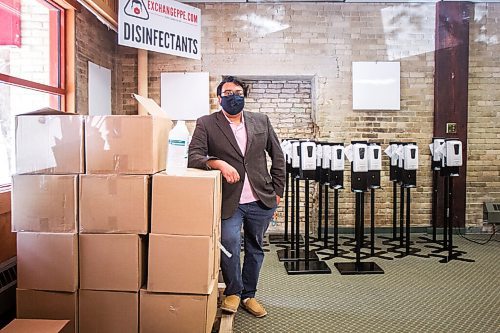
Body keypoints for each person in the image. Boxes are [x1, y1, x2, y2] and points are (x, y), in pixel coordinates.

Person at [188, 76, 285, 318]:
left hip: (260, 198)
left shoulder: (261, 120)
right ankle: (233, 291)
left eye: (238, 92)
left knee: (255, 247)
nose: (234, 97)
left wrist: (278, 192)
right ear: (219, 98)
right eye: (228, 93)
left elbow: (278, 157)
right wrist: (217, 162)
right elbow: (194, 156)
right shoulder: (207, 123)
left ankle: (249, 295)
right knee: (229, 245)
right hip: (229, 200)